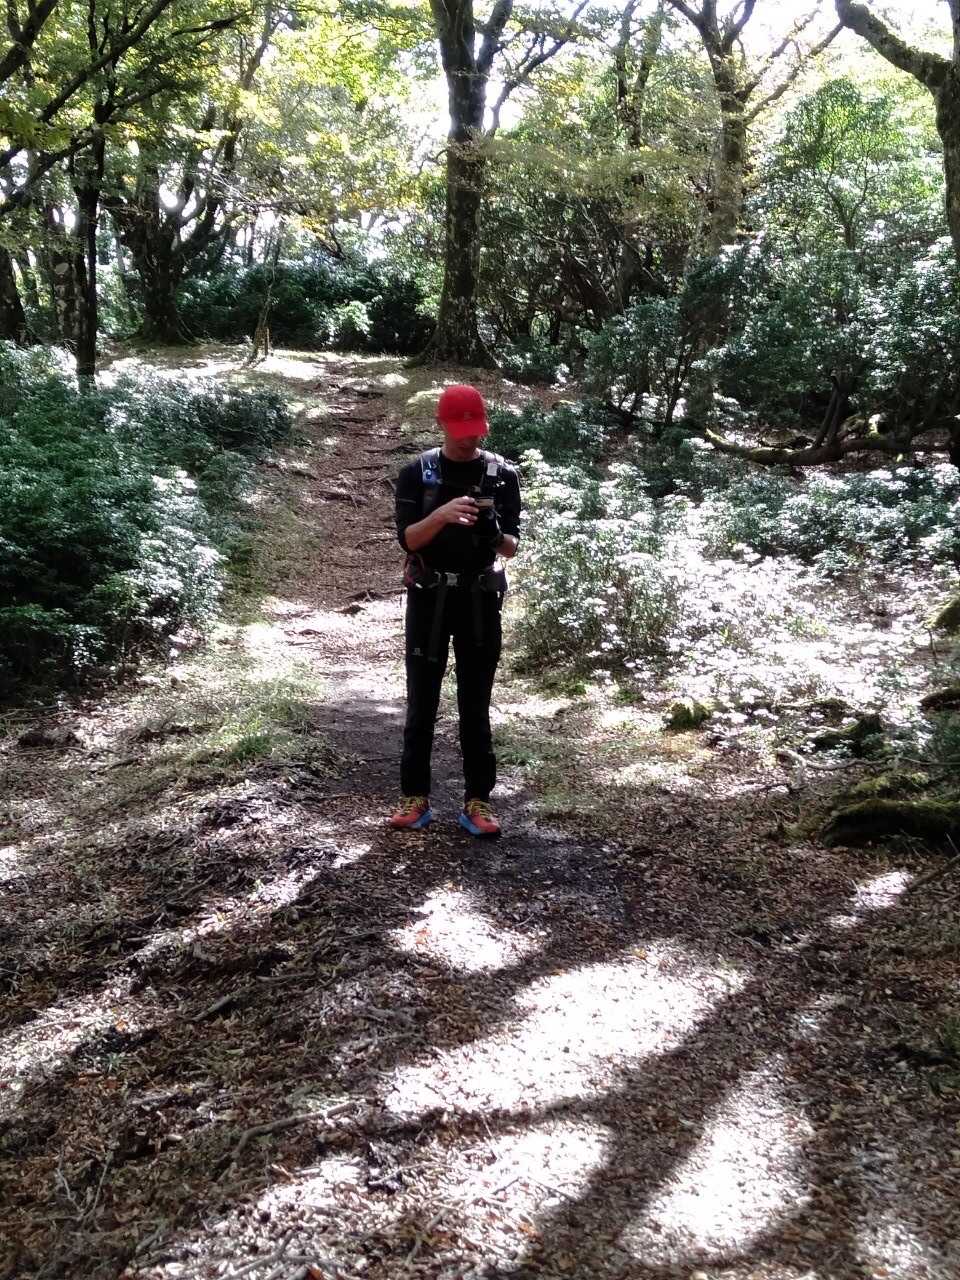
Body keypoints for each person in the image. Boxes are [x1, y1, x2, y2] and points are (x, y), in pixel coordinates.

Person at [388, 384, 521, 837]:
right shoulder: (417, 473)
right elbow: (408, 539)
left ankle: (478, 800)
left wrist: (493, 531)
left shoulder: (502, 474)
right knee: (421, 700)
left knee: (476, 704)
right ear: (442, 424)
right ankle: (414, 796)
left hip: (480, 600)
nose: (469, 438)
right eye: (461, 430)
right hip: (429, 598)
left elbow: (512, 547)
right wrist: (442, 515)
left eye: (476, 430)